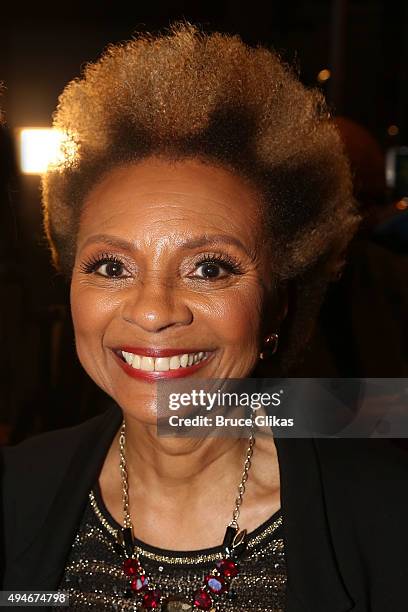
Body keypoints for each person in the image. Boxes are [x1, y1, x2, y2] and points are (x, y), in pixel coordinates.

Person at [1, 22, 408, 612]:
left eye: (210, 268)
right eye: (112, 266)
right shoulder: (15, 492)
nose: (152, 310)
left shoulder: (386, 519)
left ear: (278, 303)